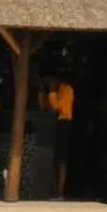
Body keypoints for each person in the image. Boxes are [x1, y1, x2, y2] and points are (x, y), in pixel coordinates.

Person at [43, 71, 75, 199]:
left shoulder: (67, 90)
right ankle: (51, 190)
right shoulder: (49, 92)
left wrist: (52, 91)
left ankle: (60, 192)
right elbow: (44, 107)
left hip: (63, 123)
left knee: (61, 160)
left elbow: (56, 108)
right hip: (50, 124)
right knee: (51, 158)